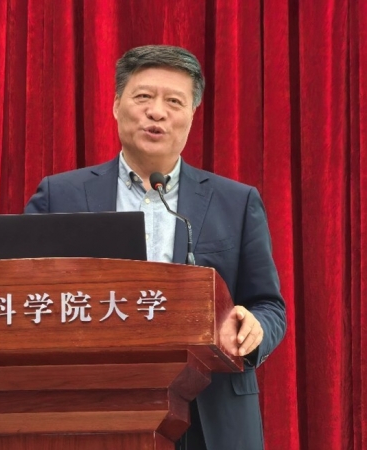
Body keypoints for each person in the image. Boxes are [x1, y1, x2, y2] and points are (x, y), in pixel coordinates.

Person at [24, 45, 286, 450]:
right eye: (143, 96)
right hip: (91, 407)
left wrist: (254, 328)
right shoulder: (61, 195)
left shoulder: (236, 202)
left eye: (174, 101)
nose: (157, 112)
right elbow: (20, 295)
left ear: (192, 114)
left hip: (209, 412)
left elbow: (268, 306)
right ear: (116, 105)